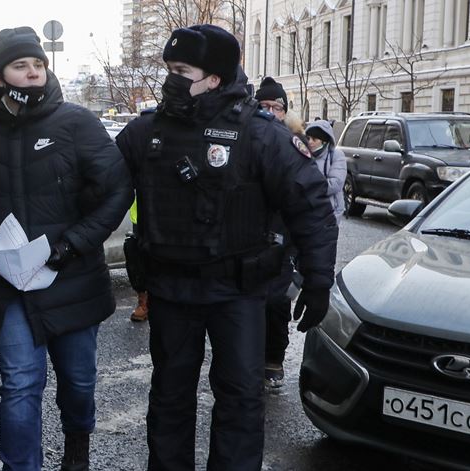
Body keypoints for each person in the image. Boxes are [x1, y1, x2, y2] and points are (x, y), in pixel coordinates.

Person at [115, 25, 338, 470]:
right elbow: (99, 190)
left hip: (238, 291)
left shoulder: (262, 135)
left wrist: (317, 281)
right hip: (172, 288)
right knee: (169, 397)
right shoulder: (147, 132)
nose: (170, 80)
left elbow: (311, 208)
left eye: (182, 71)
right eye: (169, 70)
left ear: (214, 78)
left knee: (238, 397)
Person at [0, 27, 133, 471]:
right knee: (19, 383)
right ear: (0, 77)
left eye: (38, 65)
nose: (33, 73)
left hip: (70, 275)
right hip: (11, 282)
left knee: (77, 381)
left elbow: (117, 190)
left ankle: (77, 448)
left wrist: (72, 244)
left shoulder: (77, 123)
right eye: (21, 66)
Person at [254, 76, 303, 388]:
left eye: (278, 107)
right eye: (265, 105)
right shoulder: (248, 138)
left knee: (277, 305)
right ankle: (249, 359)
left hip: (283, 239)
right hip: (249, 238)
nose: (272, 111)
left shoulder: (296, 144)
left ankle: (274, 358)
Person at [306, 120, 347, 221]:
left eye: (314, 139)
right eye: (308, 138)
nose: (310, 142)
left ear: (324, 141)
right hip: (308, 210)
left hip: (330, 211)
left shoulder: (336, 155)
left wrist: (309, 187)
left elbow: (336, 183)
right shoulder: (305, 155)